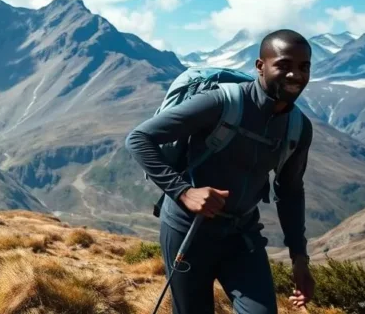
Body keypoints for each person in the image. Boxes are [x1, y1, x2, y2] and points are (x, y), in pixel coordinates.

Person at [125, 29, 317, 314]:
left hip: (242, 236)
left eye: (304, 67)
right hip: (187, 230)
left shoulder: (298, 128)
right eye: (284, 65)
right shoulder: (219, 103)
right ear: (260, 66)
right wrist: (184, 192)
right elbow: (139, 139)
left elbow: (289, 191)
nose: (295, 75)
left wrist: (299, 257)